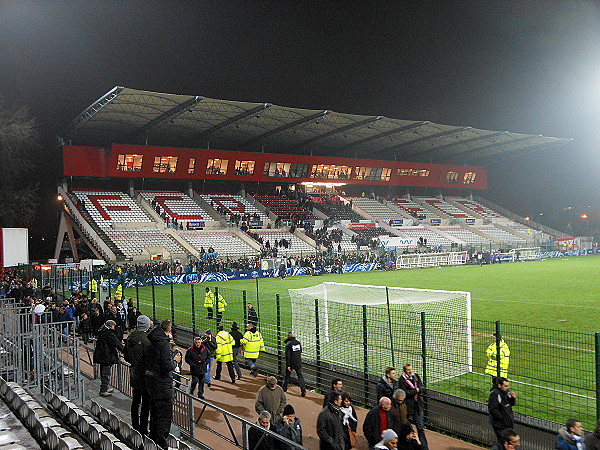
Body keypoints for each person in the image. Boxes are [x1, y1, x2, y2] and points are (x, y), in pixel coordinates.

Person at [145, 320, 180, 450]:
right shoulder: (163, 344)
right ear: (169, 331)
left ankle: (154, 439)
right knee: (163, 415)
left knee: (155, 412)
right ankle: (161, 443)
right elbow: (166, 366)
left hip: (152, 383)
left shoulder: (151, 341)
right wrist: (175, 362)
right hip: (162, 385)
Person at [124, 315, 152, 435]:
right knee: (146, 404)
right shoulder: (147, 340)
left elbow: (126, 356)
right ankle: (143, 429)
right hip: (144, 376)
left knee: (135, 401)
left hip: (134, 374)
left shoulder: (130, 337)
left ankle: (135, 426)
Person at [398, 364, 428, 450]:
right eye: (408, 370)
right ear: (404, 371)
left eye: (411, 369)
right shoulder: (402, 380)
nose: (410, 371)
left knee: (420, 427)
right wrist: (416, 390)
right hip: (407, 407)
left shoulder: (416, 377)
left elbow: (422, 387)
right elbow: (404, 393)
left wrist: (418, 390)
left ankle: (424, 447)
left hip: (418, 407)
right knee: (406, 427)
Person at [93, 319, 124, 397]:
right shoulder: (109, 334)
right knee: (106, 373)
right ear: (111, 326)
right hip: (106, 356)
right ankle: (103, 390)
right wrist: (125, 350)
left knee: (104, 372)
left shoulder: (102, 331)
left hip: (101, 355)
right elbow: (117, 344)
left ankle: (105, 387)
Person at [487, 377, 516, 445]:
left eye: (508, 386)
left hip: (508, 422)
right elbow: (492, 409)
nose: (507, 388)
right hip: (500, 424)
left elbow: (512, 404)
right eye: (505, 386)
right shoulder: (495, 394)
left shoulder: (507, 392)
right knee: (504, 443)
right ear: (499, 385)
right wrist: (502, 418)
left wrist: (513, 398)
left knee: (510, 441)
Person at [282, 332, 306, 396]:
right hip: (298, 361)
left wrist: (288, 365)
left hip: (291, 362)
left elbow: (288, 356)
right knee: (300, 376)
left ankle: (284, 389)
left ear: (288, 337)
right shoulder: (298, 342)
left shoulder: (288, 344)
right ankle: (303, 390)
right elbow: (300, 351)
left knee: (287, 376)